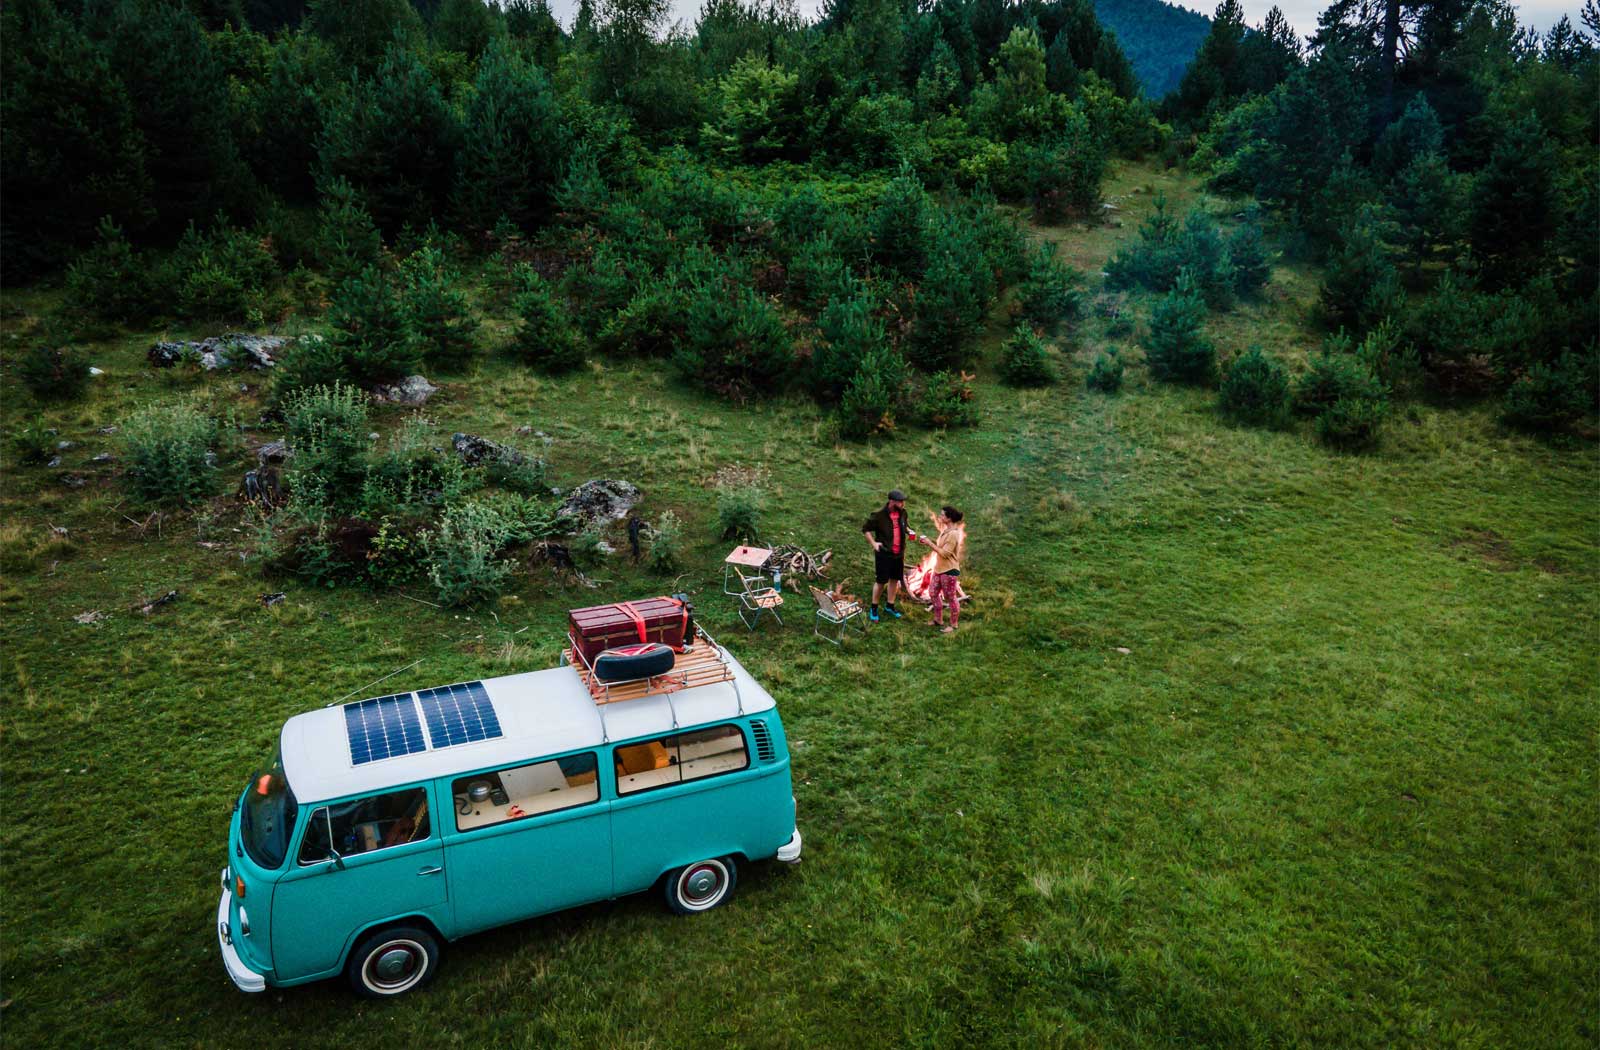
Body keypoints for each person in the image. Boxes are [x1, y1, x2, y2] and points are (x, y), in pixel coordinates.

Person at [861, 489, 911, 622]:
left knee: (894, 580)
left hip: (898, 554)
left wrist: (909, 531)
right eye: (900, 502)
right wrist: (873, 543)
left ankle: (889, 606)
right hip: (884, 554)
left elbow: (904, 526)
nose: (903, 504)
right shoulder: (879, 516)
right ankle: (874, 608)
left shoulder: (903, 513)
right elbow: (865, 529)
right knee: (881, 581)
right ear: (892, 501)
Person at [915, 506, 965, 633]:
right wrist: (928, 542)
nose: (940, 517)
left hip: (949, 570)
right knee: (932, 592)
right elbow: (940, 548)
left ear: (949, 518)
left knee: (951, 597)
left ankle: (953, 625)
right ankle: (938, 619)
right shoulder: (946, 530)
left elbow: (945, 554)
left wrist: (929, 543)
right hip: (939, 569)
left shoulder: (953, 534)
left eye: (943, 515)